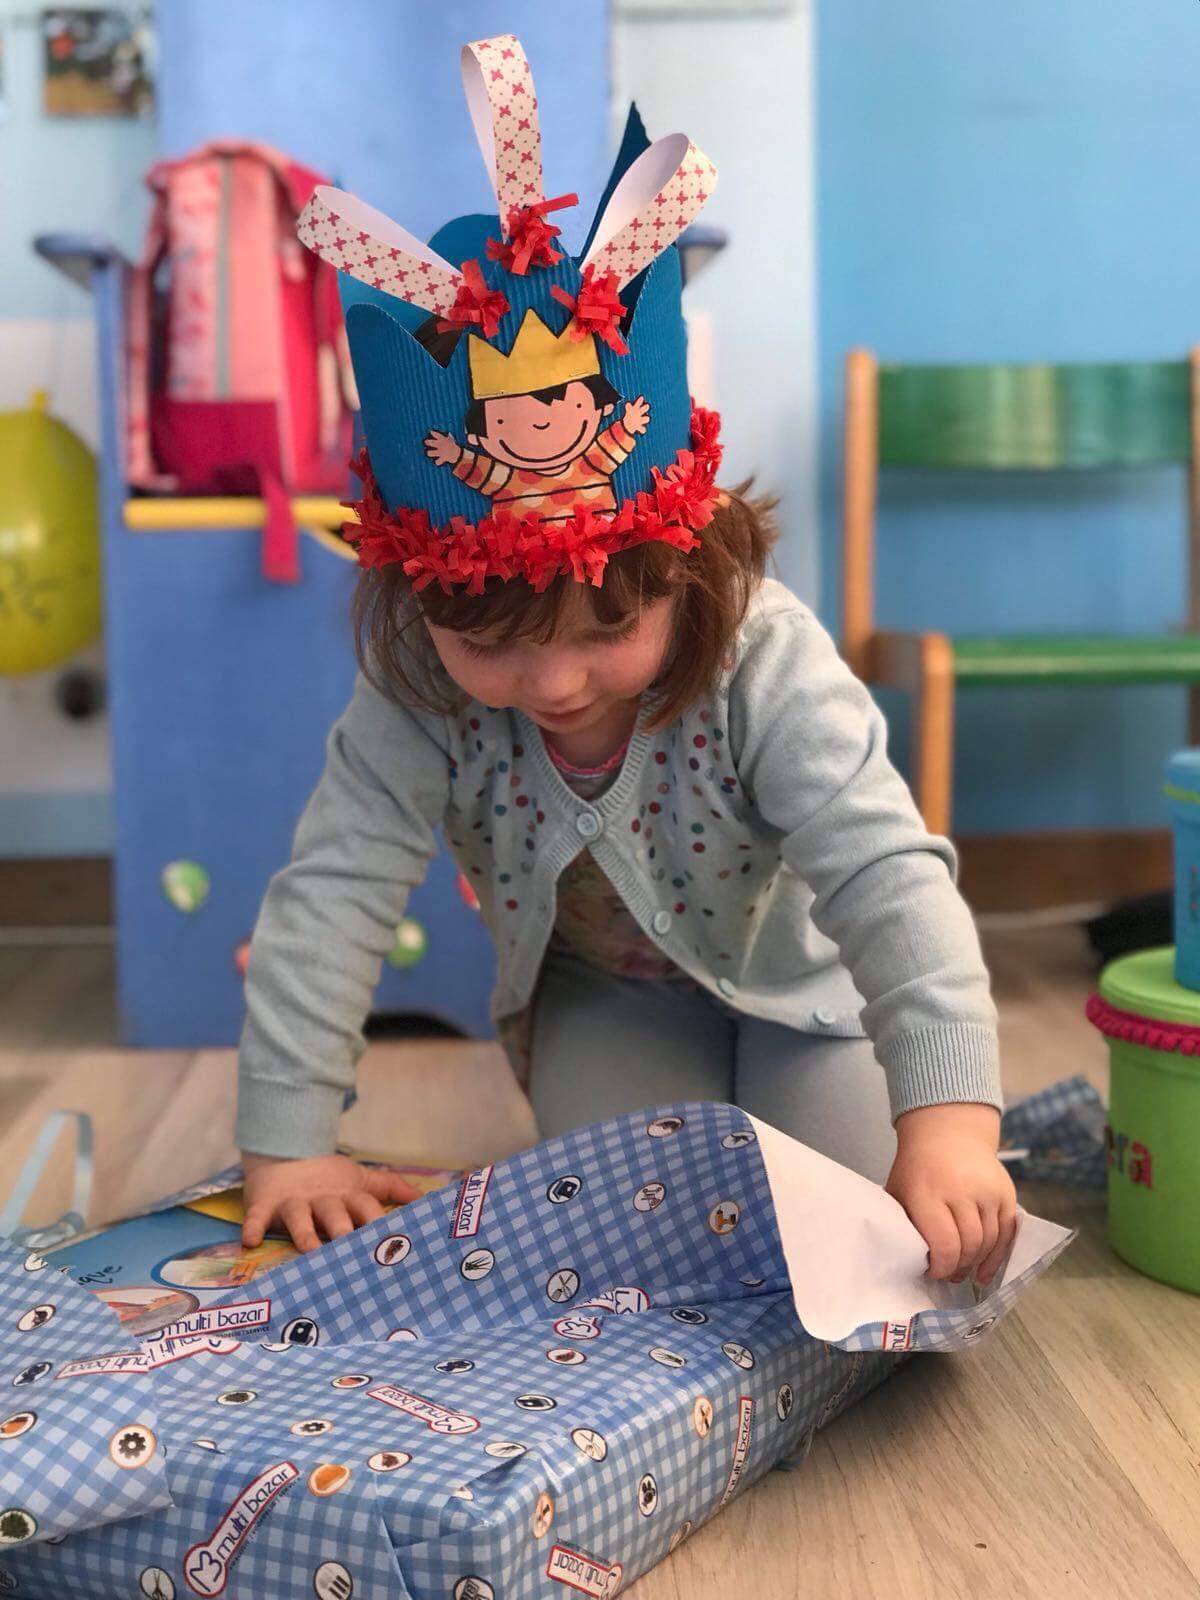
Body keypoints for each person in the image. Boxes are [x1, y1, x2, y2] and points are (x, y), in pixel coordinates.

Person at [237, 31, 1016, 1287]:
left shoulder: (761, 652)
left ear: (683, 566)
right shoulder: (416, 687)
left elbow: (887, 875)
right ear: (420, 604)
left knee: (853, 1224)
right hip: (611, 998)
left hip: (813, 993)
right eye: (491, 643)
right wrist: (287, 1145)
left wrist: (953, 1124)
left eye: (607, 631)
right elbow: (331, 896)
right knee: (640, 1239)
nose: (554, 685)